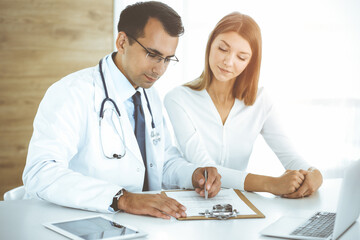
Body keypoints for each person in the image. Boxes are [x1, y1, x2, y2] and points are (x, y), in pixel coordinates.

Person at [22, 1, 221, 219]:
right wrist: (121, 198)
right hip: (76, 221)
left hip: (140, 225)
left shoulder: (149, 94)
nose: (160, 69)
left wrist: (193, 175)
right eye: (152, 54)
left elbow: (162, 161)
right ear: (122, 42)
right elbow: (40, 173)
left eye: (167, 59)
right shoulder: (71, 92)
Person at [164, 12, 322, 199]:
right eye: (223, 49)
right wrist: (271, 184)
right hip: (189, 203)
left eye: (241, 57)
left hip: (237, 207)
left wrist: (315, 174)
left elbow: (289, 155)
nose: (228, 62)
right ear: (210, 45)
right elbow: (206, 169)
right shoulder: (178, 99)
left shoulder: (260, 100)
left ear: (251, 62)